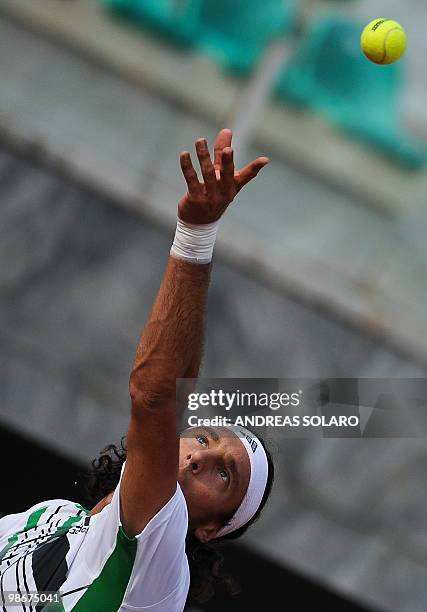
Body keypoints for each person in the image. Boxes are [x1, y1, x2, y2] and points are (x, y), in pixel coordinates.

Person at [0, 129, 273, 611]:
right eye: (205, 439)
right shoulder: (50, 518)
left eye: (224, 476)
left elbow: (156, 398)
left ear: (209, 528)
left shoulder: (159, 559)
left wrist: (196, 235)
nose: (199, 457)